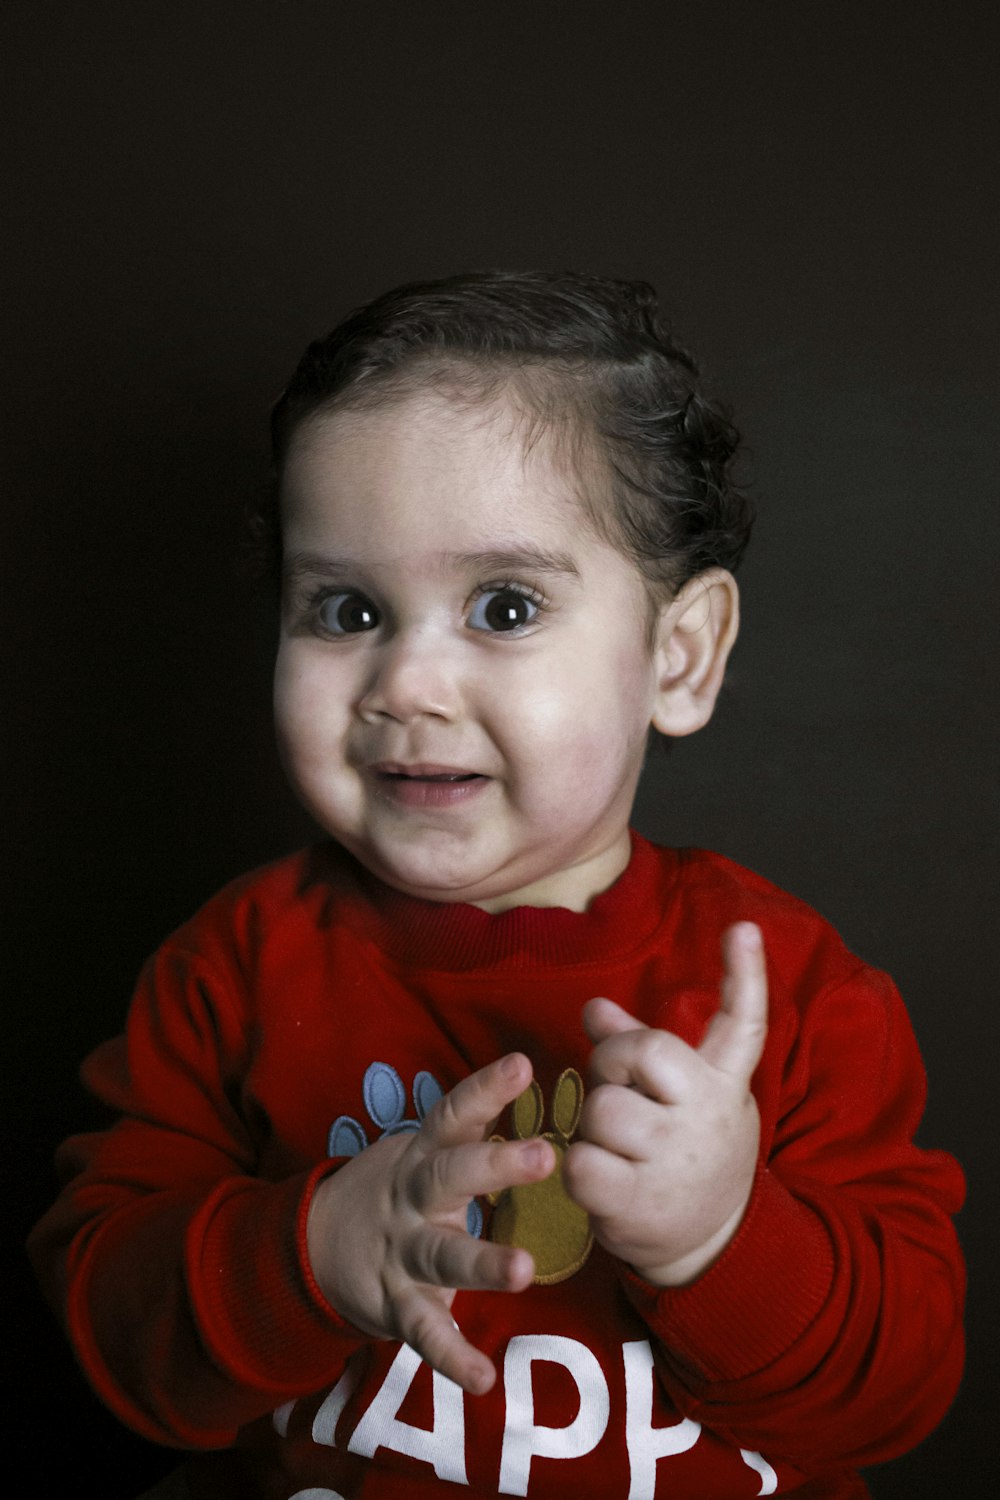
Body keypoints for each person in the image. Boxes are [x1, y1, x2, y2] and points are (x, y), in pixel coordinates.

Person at [29, 271, 964, 1500]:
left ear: (676, 657)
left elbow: (890, 1401)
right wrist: (309, 1247)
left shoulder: (794, 991)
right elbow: (112, 1340)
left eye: (504, 606)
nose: (405, 683)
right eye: (347, 608)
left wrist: (724, 1236)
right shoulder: (234, 966)